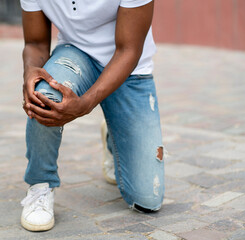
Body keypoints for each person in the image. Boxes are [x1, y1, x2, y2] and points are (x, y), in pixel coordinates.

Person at [20, 0, 165, 232]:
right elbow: (35, 42)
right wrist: (31, 72)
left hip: (130, 68)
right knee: (44, 96)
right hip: (77, 55)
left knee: (148, 200)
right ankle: (40, 185)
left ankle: (113, 135)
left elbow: (129, 49)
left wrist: (85, 104)